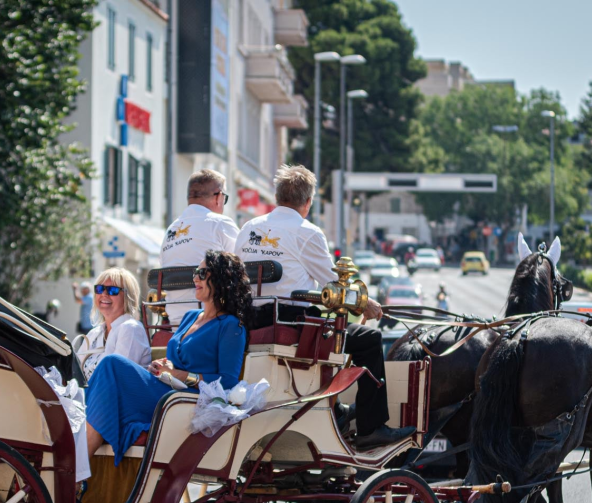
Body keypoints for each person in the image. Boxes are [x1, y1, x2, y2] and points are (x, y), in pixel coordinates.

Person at [234, 164, 412, 450]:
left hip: (250, 322)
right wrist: (366, 304)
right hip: (291, 326)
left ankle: (335, 407)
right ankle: (370, 427)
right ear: (307, 203)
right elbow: (335, 285)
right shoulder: (308, 232)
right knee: (369, 339)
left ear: (278, 196)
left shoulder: (249, 228)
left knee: (335, 330)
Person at [84, 251, 251, 465]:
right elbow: (176, 360)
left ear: (221, 278)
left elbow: (228, 381)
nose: (195, 278)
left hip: (186, 399)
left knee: (111, 364)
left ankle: (78, 469)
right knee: (107, 373)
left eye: (202, 273)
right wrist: (164, 366)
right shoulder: (191, 317)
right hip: (166, 388)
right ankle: (82, 468)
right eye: (195, 273)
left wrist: (181, 374)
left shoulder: (231, 326)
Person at [159, 169, 239, 325]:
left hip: (176, 320)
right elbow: (243, 267)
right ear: (218, 197)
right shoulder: (220, 224)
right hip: (210, 317)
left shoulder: (171, 230)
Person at [75, 267, 151, 380]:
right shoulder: (94, 333)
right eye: (100, 289)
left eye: (112, 290)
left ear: (127, 297)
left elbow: (116, 379)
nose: (104, 294)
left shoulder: (130, 328)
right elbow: (75, 371)